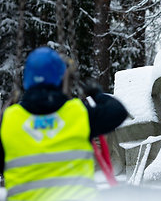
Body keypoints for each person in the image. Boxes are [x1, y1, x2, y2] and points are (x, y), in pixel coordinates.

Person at [0, 47, 128, 200]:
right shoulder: (78, 113)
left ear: (27, 79)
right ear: (61, 79)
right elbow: (118, 112)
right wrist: (97, 94)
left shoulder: (9, 120)